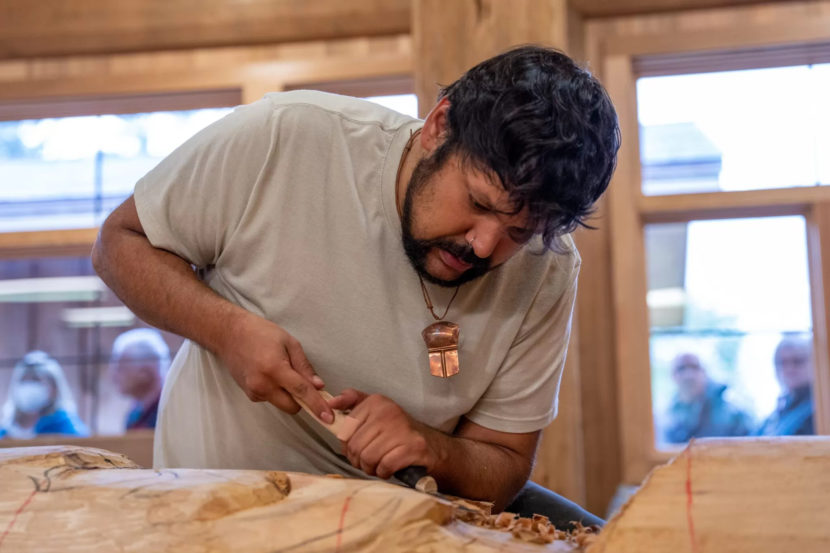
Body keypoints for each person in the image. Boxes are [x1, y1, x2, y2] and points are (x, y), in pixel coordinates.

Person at [92, 45, 620, 528]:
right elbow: (118, 244)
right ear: (439, 125)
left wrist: (430, 447)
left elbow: (504, 467)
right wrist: (226, 329)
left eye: (518, 232)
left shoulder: (546, 269)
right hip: (214, 511)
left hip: (393, 528)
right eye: (479, 203)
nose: (483, 246)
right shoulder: (286, 136)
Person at [661, 352, 752, 443]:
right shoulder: (665, 418)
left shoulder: (732, 412)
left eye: (695, 367)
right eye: (681, 369)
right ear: (672, 376)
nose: (689, 375)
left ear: (704, 372)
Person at [0, 351, 89, 439]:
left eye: (36, 380)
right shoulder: (6, 429)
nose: (29, 386)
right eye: (24, 380)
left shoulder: (65, 426)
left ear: (54, 388)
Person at [109, 328, 170, 431]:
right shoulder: (134, 415)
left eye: (121, 368)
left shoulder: (170, 410)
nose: (113, 376)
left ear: (145, 372)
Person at [756, 335, 814, 436]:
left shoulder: (819, 408)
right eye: (782, 363)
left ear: (815, 363)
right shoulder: (781, 408)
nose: (789, 369)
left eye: (797, 361)